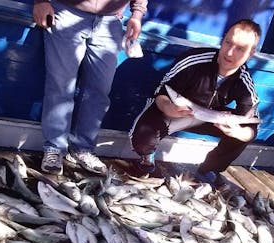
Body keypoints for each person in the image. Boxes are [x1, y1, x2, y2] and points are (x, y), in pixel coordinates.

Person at [129, 19, 261, 187]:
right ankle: (146, 160)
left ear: (251, 54)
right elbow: (160, 92)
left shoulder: (244, 81)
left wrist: (237, 133)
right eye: (228, 43)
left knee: (244, 134)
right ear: (222, 40)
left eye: (240, 49)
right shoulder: (193, 60)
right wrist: (168, 107)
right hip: (176, 111)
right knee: (143, 136)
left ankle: (209, 169)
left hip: (210, 117)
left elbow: (253, 125)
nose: (229, 53)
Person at [33, 0, 147, 175]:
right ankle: (54, 148)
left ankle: (83, 149)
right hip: (66, 13)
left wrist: (137, 14)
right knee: (61, 86)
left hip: (111, 21)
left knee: (99, 91)